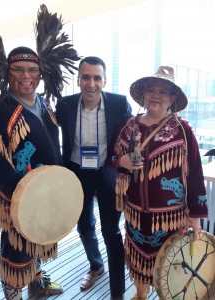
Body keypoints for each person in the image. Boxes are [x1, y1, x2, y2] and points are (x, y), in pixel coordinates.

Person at [0, 6, 80, 300]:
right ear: (8, 72)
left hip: (48, 191)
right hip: (18, 194)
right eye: (18, 69)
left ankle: (37, 282)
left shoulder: (44, 104)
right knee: (17, 245)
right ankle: (13, 290)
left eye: (32, 70)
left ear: (41, 74)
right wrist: (15, 193)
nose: (26, 75)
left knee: (42, 238)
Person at [108, 66, 208, 299]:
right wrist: (121, 160)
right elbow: (112, 158)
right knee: (137, 257)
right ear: (142, 95)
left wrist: (194, 215)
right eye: (151, 90)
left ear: (172, 99)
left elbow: (194, 172)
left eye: (163, 92)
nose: (156, 96)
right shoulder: (127, 126)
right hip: (134, 212)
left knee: (171, 263)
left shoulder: (182, 131)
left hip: (170, 215)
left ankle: (168, 294)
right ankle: (140, 293)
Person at [55, 56, 132, 300]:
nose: (91, 83)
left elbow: (132, 136)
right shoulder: (64, 104)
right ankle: (95, 265)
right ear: (78, 80)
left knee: (111, 232)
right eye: (86, 77)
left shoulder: (120, 104)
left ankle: (117, 292)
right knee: (84, 225)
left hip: (107, 173)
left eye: (97, 77)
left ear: (104, 80)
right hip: (77, 173)